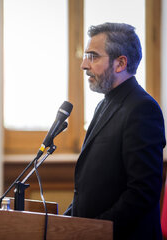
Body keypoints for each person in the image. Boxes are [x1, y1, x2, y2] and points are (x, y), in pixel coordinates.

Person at [64, 23, 166, 240]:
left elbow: (142, 192)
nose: (83, 65)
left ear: (120, 63)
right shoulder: (104, 104)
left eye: (93, 57)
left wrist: (95, 231)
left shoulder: (142, 109)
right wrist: (65, 224)